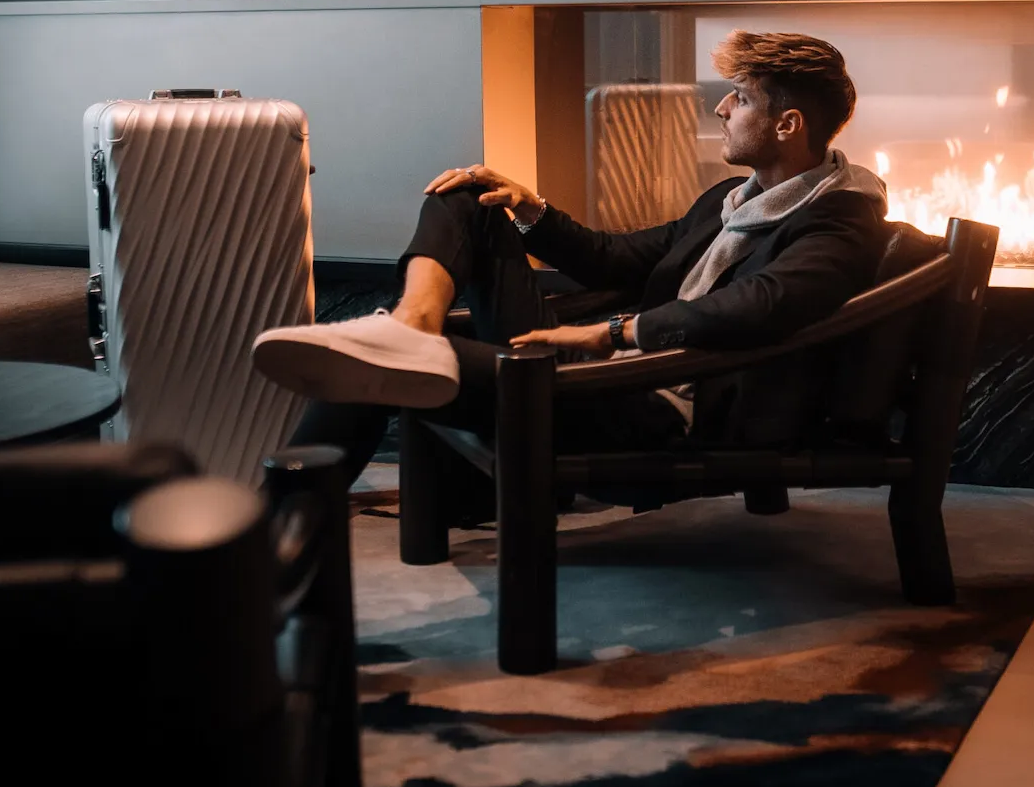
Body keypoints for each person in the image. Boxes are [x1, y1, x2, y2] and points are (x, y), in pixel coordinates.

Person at [252, 30, 887, 482]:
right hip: (606, 376)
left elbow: (762, 305)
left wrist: (612, 333)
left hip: (650, 402)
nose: (719, 106)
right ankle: (411, 323)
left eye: (741, 97)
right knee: (473, 195)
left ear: (788, 125)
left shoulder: (839, 219)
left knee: (371, 368)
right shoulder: (732, 197)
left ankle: (273, 547)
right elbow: (618, 258)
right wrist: (531, 210)